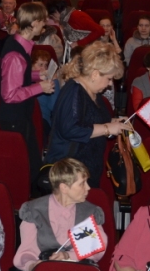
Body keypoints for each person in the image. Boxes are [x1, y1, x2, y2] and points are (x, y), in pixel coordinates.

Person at [44, 42, 128, 188]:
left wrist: (116, 123)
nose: (110, 84)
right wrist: (107, 128)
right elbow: (70, 129)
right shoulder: (74, 91)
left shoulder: (93, 92)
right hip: (69, 174)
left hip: (86, 169)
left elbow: (93, 121)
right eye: (109, 78)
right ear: (95, 74)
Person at [13, 158, 108, 271]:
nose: (88, 187)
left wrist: (68, 255)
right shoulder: (34, 210)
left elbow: (95, 249)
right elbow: (27, 251)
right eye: (82, 183)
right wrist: (33, 265)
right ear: (64, 188)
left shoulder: (89, 212)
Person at [0, 2, 56, 185]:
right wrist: (40, 88)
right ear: (33, 23)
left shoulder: (18, 43)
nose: (44, 24)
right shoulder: (15, 55)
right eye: (42, 21)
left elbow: (18, 74)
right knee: (26, 168)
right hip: (14, 119)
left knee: (31, 165)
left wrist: (36, 76)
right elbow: (9, 95)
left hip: (20, 117)